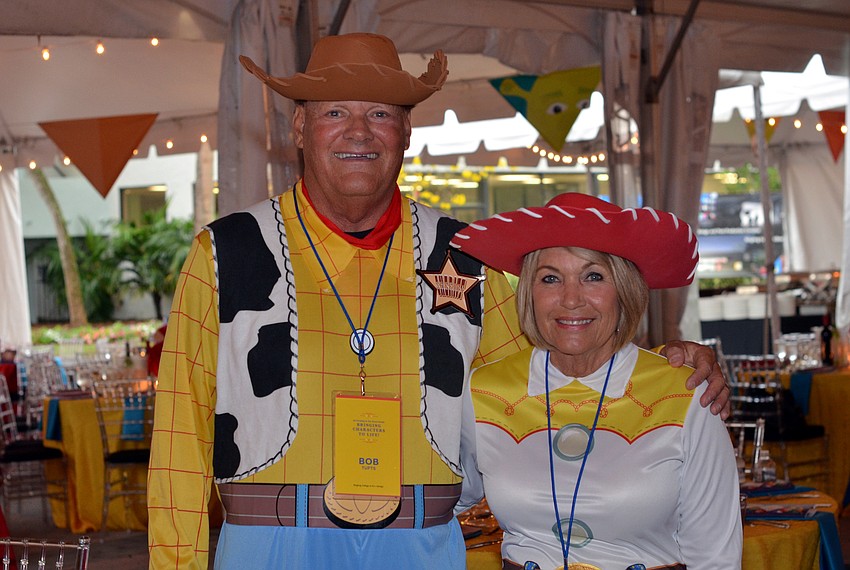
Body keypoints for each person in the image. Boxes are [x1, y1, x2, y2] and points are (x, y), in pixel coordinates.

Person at [147, 33, 729, 569]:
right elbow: (180, 435)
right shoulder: (225, 252)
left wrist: (666, 363)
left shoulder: (466, 255)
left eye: (380, 114)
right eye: (335, 114)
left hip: (420, 545)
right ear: (299, 128)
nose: (359, 132)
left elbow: (554, 371)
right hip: (271, 543)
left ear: (406, 133)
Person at [452, 193, 743, 569]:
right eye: (550, 278)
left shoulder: (687, 394)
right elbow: (442, 497)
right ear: (529, 294)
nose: (571, 299)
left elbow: (715, 552)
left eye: (593, 276)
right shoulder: (482, 391)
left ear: (625, 291)